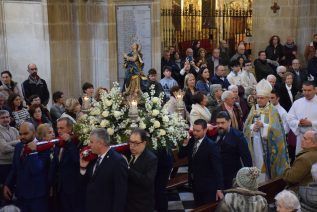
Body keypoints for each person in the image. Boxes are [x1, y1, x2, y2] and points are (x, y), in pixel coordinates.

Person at [244, 79, 289, 181]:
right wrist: (252, 128)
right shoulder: (254, 109)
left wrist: (264, 125)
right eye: (258, 98)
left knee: (267, 168)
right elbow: (246, 127)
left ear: (268, 98)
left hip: (268, 144)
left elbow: (278, 131)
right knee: (257, 163)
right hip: (255, 144)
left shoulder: (273, 110)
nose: (259, 100)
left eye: (262, 98)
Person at [4, 122, 49, 212]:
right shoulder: (18, 146)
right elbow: (14, 168)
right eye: (20, 134)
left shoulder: (44, 146)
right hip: (21, 195)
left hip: (37, 196)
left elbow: (36, 170)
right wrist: (7, 184)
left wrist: (33, 152)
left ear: (34, 132)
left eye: (25, 133)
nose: (22, 137)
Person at [80, 128, 127, 212]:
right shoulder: (93, 159)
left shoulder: (117, 161)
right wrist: (83, 167)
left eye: (91, 142)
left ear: (100, 143)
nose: (89, 145)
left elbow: (120, 192)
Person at [178, 119, 224, 206]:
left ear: (205, 130)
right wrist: (184, 144)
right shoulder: (191, 141)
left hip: (208, 186)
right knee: (198, 206)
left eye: (198, 131)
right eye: (194, 130)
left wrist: (219, 189)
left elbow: (218, 169)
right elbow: (181, 155)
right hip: (195, 183)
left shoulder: (212, 146)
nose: (195, 133)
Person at [50, 117, 83, 212]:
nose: (59, 131)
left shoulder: (77, 142)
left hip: (73, 189)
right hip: (59, 188)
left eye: (62, 128)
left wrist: (69, 142)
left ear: (70, 128)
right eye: (58, 128)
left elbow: (77, 160)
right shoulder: (58, 143)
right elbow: (55, 164)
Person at [214, 111, 252, 189]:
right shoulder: (216, 134)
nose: (220, 125)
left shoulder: (238, 136)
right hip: (218, 176)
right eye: (218, 123)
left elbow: (246, 158)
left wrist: (248, 178)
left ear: (229, 122)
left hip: (233, 177)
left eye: (222, 123)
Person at [124, 129, 158, 212]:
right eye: (130, 142)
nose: (132, 146)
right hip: (126, 203)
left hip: (141, 205)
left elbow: (147, 181)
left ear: (144, 143)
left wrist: (127, 168)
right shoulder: (126, 154)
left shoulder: (151, 159)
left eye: (136, 143)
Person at [287, 81, 317, 154]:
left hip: (315, 138)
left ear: (315, 90)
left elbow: (311, 123)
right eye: (304, 90)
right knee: (301, 160)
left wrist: (311, 123)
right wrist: (298, 123)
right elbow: (289, 118)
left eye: (309, 90)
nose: (306, 93)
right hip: (301, 137)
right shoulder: (297, 103)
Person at [0, 110, 19, 185]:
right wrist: (16, 145)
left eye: (7, 117)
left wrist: (9, 144)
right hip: (4, 165)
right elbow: (4, 148)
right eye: (2, 118)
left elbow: (22, 143)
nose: (6, 119)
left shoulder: (14, 130)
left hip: (15, 163)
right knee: (6, 189)